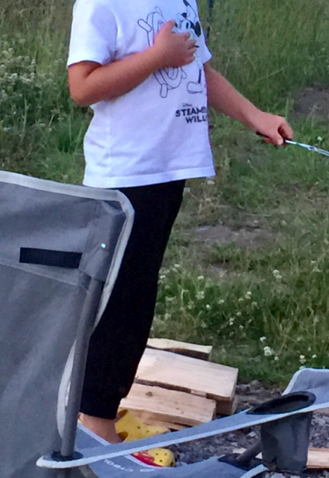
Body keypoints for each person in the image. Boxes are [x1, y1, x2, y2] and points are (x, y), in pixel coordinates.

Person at [68, 0, 293, 443]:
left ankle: (105, 410)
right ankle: (93, 423)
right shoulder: (101, 3)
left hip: (168, 170)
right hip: (126, 174)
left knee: (140, 293)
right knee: (119, 301)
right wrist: (157, 57)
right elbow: (83, 86)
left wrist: (256, 117)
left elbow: (197, 71)